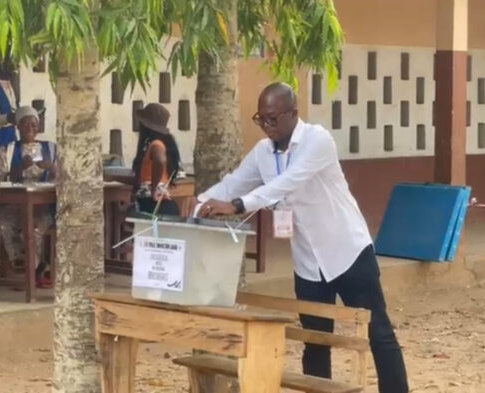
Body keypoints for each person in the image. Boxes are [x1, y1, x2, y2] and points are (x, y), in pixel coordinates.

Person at [194, 83, 409, 392]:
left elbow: (287, 183)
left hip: (347, 252)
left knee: (379, 333)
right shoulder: (263, 152)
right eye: (261, 119)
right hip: (308, 262)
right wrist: (201, 202)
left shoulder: (317, 140)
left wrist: (238, 206)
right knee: (315, 339)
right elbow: (234, 183)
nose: (266, 126)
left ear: (293, 113)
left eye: (272, 118)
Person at [0, 106, 55, 289]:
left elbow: (66, 178)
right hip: (14, 204)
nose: (30, 129)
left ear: (38, 127)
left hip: (43, 206)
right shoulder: (8, 150)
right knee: (3, 222)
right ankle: (23, 264)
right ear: (17, 127)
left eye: (34, 125)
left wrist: (52, 168)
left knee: (33, 227)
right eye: (25, 125)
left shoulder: (51, 149)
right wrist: (18, 169)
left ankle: (32, 271)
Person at [131, 103, 182, 216]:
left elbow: (160, 160)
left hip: (150, 204)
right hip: (162, 205)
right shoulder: (164, 144)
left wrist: (154, 190)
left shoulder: (156, 144)